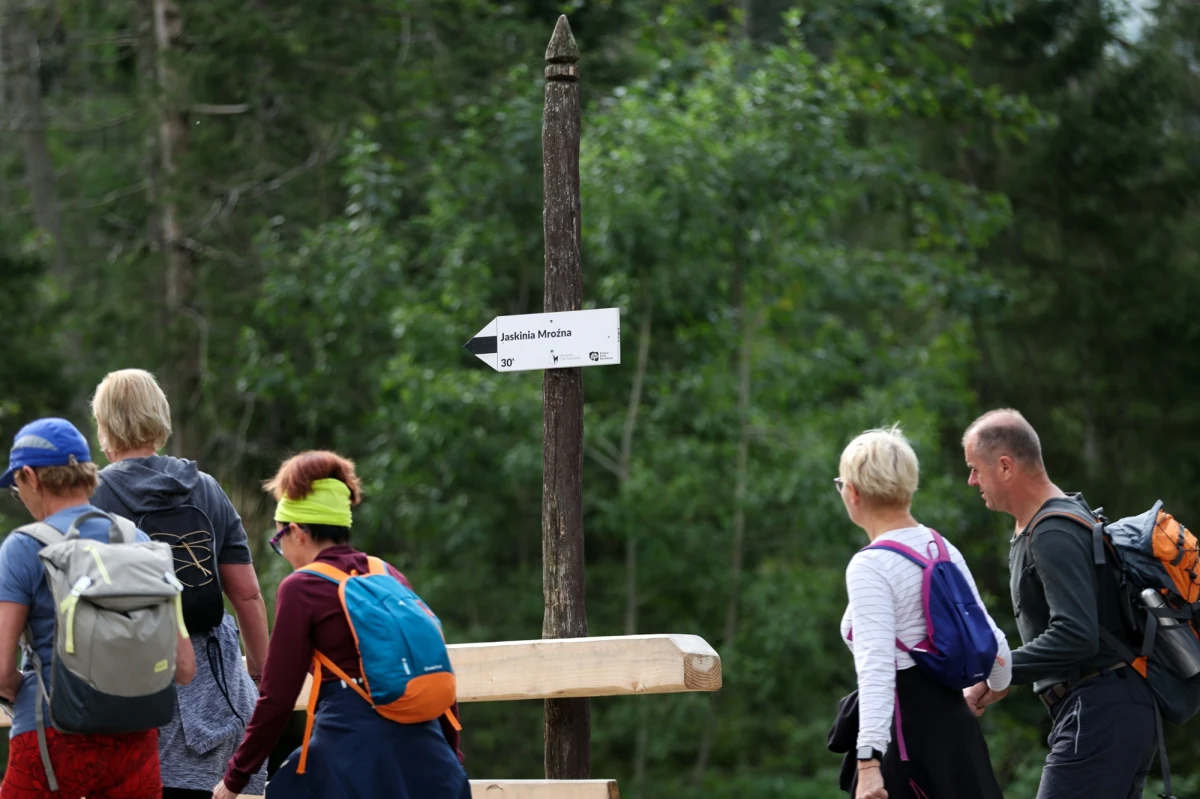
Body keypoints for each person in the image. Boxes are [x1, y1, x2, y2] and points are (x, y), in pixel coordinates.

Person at [213, 450, 469, 799]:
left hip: (353, 758)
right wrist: (449, 757)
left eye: (278, 541)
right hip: (431, 760)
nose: (282, 552)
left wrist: (234, 779)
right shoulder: (387, 573)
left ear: (298, 532)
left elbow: (276, 698)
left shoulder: (302, 587)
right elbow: (433, 671)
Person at [89, 368, 270, 798]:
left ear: (104, 426)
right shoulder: (205, 488)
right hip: (220, 703)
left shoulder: (94, 497)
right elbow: (246, 592)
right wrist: (261, 677)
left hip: (139, 707)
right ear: (160, 415)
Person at [961, 409, 1157, 798]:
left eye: (974, 469)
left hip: (1101, 710)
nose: (971, 480)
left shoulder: (1052, 531)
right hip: (1109, 709)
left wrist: (999, 671)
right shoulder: (1052, 519)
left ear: (1004, 467)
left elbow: (1076, 635)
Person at [0, 417, 197, 798]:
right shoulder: (137, 541)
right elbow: (185, 667)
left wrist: (12, 690)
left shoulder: (23, 547)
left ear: (31, 476)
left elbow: (1, 669)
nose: (20, 495)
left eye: (17, 486)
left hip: (49, 744)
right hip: (134, 746)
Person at [835, 425, 1010, 799]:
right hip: (959, 742)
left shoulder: (870, 565)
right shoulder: (939, 545)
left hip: (905, 746)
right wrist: (994, 685)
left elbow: (877, 667)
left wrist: (867, 766)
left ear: (853, 492)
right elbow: (995, 643)